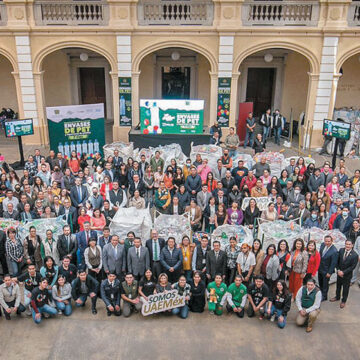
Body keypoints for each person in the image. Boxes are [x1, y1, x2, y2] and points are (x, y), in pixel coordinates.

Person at [330, 239, 358, 308]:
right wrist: (338, 270)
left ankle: (343, 301)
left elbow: (352, 267)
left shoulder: (355, 255)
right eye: (346, 244)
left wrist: (343, 272)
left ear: (352, 245)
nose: (347, 246)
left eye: (349, 244)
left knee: (345, 289)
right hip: (339, 273)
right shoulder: (341, 250)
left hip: (347, 275)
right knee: (338, 286)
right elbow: (337, 261)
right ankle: (337, 297)